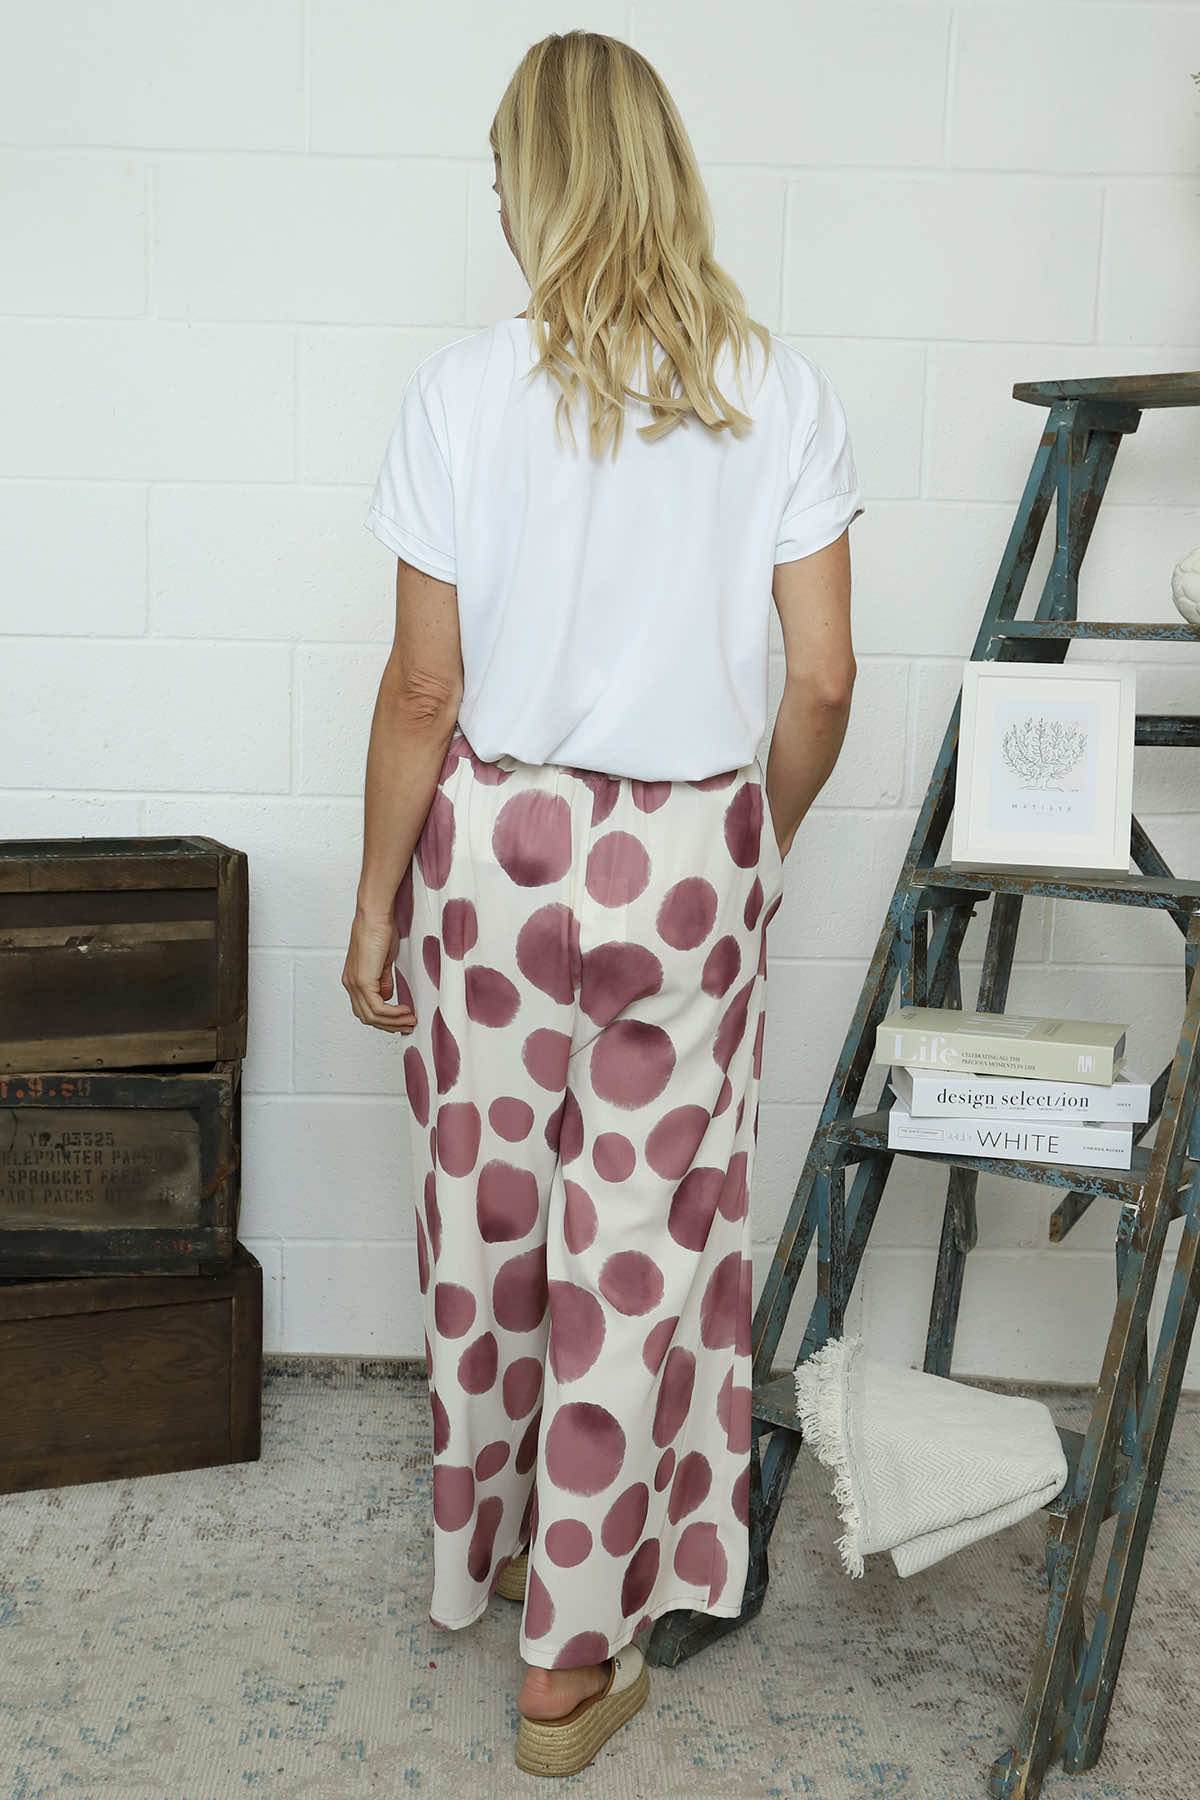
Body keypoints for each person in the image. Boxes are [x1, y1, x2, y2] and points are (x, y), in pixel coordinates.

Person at [341, 28, 863, 1778]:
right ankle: (572, 1662)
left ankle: (486, 1551)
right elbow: (824, 676)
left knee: (491, 1219)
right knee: (636, 1254)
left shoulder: (457, 394)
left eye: (506, 176)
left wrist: (374, 905)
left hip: (494, 855)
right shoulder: (775, 388)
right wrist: (754, 840)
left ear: (545, 188)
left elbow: (424, 691)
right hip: (692, 854)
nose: (496, 205)